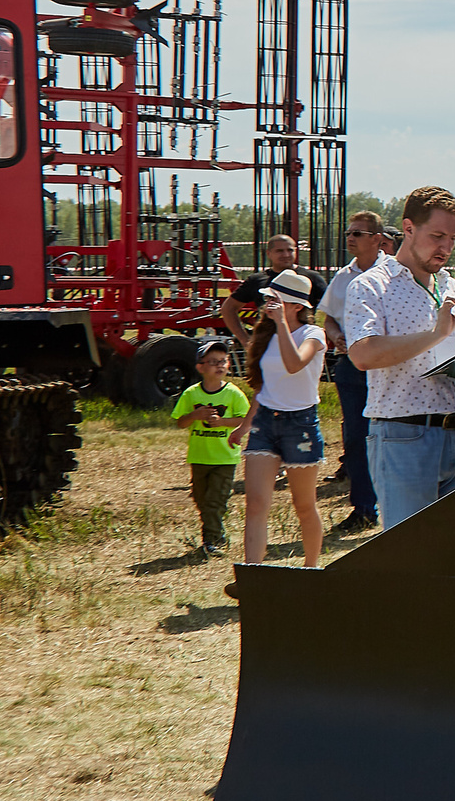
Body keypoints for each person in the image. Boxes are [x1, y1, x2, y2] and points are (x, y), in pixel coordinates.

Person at [344, 186, 455, 527]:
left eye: (453, 238)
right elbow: (362, 354)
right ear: (408, 228)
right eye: (437, 236)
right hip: (404, 438)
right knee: (411, 557)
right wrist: (436, 334)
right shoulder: (371, 286)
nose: (446, 247)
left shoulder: (453, 287)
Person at [238, 271, 330, 565]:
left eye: (276, 301)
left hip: (300, 424)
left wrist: (280, 326)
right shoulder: (266, 332)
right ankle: (252, 575)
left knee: (303, 505)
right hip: (266, 422)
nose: (268, 305)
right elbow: (263, 385)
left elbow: (294, 365)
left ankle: (311, 568)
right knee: (255, 504)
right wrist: (244, 425)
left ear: (297, 307)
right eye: (268, 299)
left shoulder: (313, 335)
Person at [317, 211, 399, 534]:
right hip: (351, 368)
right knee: (355, 439)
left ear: (378, 240)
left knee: (389, 437)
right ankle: (364, 508)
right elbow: (328, 318)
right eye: (349, 232)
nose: (350, 238)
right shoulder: (343, 277)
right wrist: (335, 335)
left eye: (358, 233)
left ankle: (395, 507)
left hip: (386, 367)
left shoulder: (395, 274)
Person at [170, 341, 250, 556]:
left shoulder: (234, 393)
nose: (219, 365)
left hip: (225, 458)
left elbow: (245, 419)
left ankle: (211, 541)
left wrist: (223, 422)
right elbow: (180, 422)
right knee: (201, 499)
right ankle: (218, 534)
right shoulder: (191, 394)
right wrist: (195, 416)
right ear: (200, 367)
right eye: (213, 362)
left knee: (215, 500)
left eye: (223, 361)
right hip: (199, 457)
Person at [222, 234, 320, 345]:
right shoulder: (257, 280)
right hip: (266, 342)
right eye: (280, 251)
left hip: (300, 340)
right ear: (268, 253)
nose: (286, 255)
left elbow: (332, 307)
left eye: (290, 250)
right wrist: (245, 340)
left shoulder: (311, 278)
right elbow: (228, 308)